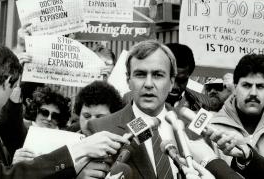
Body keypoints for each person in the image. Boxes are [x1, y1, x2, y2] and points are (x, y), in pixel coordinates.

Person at [0, 45, 130, 179]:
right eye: (87, 115)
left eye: (100, 117)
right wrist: (76, 157)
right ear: (7, 81)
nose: (92, 122)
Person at [87, 40, 204, 179]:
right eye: (140, 74)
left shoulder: (192, 125)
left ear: (171, 81)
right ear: (128, 80)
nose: (148, 84)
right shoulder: (101, 128)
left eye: (158, 75)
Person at [209, 54, 264, 164]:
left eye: (260, 86)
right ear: (235, 88)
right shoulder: (211, 129)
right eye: (246, 85)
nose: (253, 93)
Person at [123, 43, 212, 112]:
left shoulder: (204, 104)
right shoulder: (131, 100)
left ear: (189, 75)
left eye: (181, 80)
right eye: (170, 78)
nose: (174, 87)